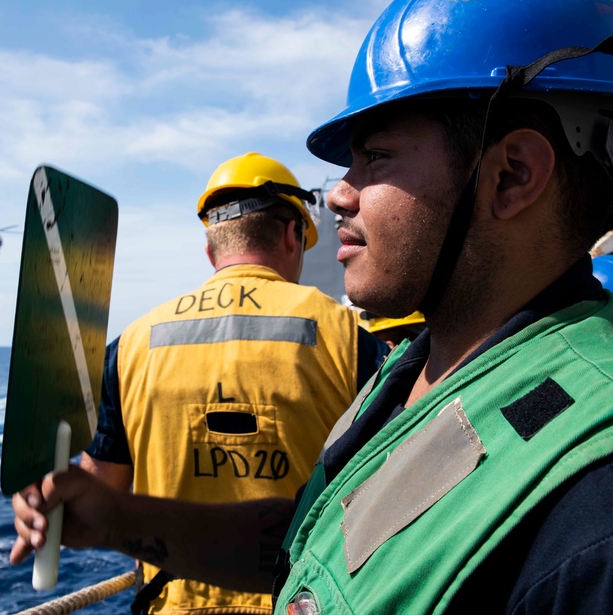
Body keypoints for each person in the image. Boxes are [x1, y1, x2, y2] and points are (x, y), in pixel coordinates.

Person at [12, 0, 613, 613]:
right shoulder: (414, 369)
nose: (340, 194)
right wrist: (118, 518)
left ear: (512, 174)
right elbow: (308, 551)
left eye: (375, 156)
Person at [77, 152, 388, 614]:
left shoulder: (131, 345)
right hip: (305, 602)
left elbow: (96, 498)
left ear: (211, 249)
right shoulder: (352, 339)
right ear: (292, 234)